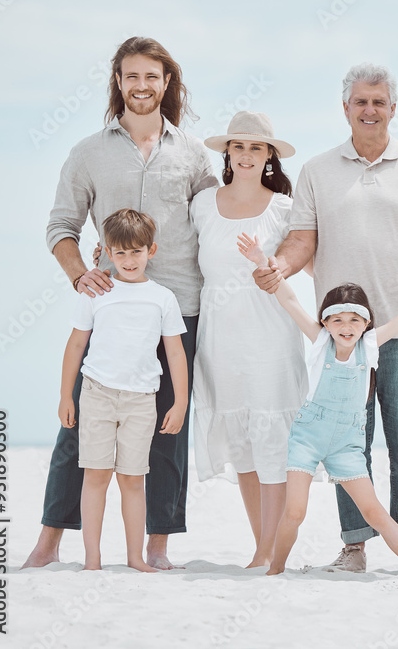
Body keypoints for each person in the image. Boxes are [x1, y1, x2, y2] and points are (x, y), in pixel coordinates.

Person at [253, 63, 398, 573]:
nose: (370, 110)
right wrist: (279, 266)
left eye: (379, 102)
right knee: (351, 438)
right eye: (360, 102)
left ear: (393, 107)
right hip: (341, 336)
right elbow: (302, 240)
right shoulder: (318, 170)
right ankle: (355, 545)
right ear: (345, 108)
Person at [26, 36, 218, 570]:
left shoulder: (195, 153)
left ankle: (156, 546)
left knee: (167, 428)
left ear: (166, 82)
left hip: (180, 305)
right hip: (110, 306)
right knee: (81, 424)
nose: (141, 86)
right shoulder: (88, 152)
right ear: (118, 81)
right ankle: (49, 540)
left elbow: (216, 221)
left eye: (151, 77)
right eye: (131, 76)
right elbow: (60, 225)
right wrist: (80, 274)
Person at [238, 234, 398, 577]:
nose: (346, 327)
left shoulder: (370, 345)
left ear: (366, 323)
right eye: (337, 319)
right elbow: (289, 298)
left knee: (375, 513)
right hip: (308, 437)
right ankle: (275, 570)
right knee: (295, 511)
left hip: (347, 444)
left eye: (354, 319)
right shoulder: (318, 342)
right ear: (325, 322)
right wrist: (260, 260)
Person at [190, 112, 309, 568]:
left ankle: (269, 550)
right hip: (219, 340)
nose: (246, 155)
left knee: (272, 442)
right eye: (238, 146)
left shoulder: (284, 207)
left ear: (269, 157)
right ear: (227, 153)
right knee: (241, 443)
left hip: (270, 339)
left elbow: (301, 258)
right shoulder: (202, 203)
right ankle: (260, 546)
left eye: (256, 148)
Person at [58, 209, 189, 571]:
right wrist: (65, 395)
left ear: (152, 250)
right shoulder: (95, 292)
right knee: (96, 475)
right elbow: (75, 345)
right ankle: (92, 559)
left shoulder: (163, 297)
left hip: (141, 399)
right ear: (106, 252)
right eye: (120, 252)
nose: (128, 260)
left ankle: (135, 558)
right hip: (97, 393)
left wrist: (180, 402)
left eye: (136, 252)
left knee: (133, 480)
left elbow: (175, 353)